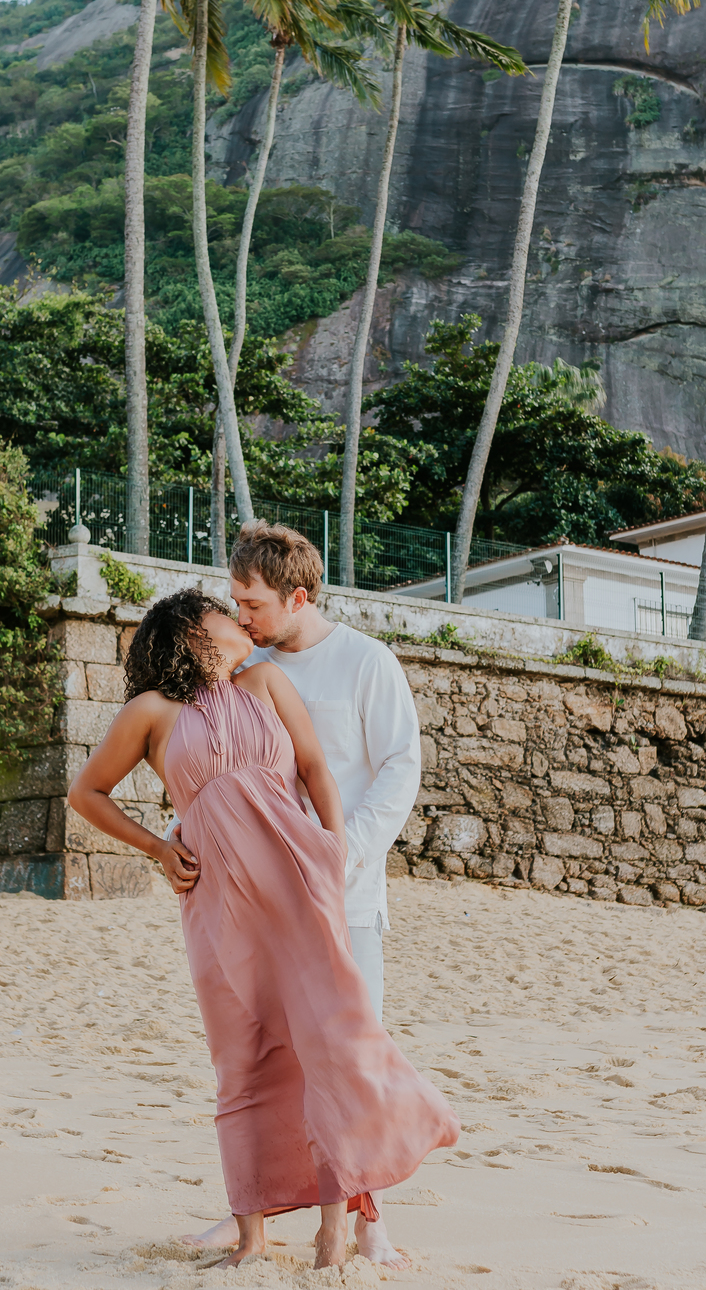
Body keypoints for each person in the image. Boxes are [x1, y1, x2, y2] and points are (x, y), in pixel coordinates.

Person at [68, 586, 458, 1270]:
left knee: (326, 1044)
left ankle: (334, 1230)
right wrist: (157, 849)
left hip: (301, 884)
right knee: (241, 1060)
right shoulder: (151, 712)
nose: (239, 619)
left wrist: (334, 850)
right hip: (218, 901)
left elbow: (314, 768)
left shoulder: (267, 681)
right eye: (224, 612)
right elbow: (86, 793)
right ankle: (252, 1239)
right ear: (194, 632)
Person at [184, 520, 423, 1269]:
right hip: (259, 905)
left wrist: (343, 852)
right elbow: (214, 766)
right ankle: (249, 1210)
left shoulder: (366, 661)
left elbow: (400, 766)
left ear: (298, 596)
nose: (241, 616)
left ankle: (368, 1221)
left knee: (348, 1057)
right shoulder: (241, 668)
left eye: (252, 603)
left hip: (347, 897)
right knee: (261, 1060)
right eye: (235, 601)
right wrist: (176, 841)